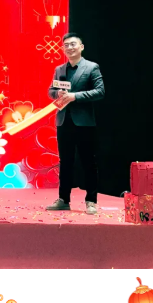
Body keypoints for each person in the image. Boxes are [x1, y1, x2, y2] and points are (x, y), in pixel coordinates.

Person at [46, 32, 105, 215]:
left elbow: (100, 91)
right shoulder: (59, 69)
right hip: (64, 121)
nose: (69, 48)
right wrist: (57, 94)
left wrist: (75, 96)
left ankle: (91, 201)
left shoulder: (91, 67)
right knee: (65, 162)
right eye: (66, 45)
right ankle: (63, 200)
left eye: (73, 44)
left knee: (88, 161)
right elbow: (51, 90)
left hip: (84, 123)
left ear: (81, 47)